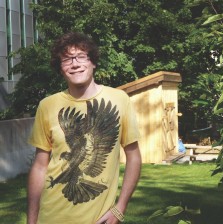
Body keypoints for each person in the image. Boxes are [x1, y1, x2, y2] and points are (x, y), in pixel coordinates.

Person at [27, 32, 141, 224]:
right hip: (51, 216)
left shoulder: (119, 99)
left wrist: (120, 208)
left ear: (93, 62)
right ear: (60, 68)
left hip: (99, 219)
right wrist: (31, 220)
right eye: (67, 59)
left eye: (81, 56)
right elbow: (40, 166)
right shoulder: (47, 105)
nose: (75, 63)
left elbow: (134, 156)